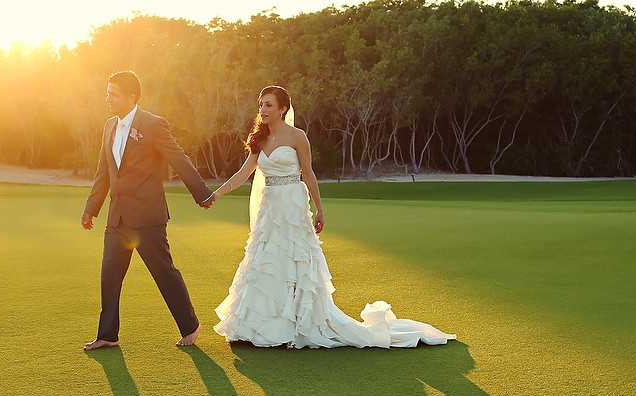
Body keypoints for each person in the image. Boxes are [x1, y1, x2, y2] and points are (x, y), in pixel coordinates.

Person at [208, 85, 456, 349]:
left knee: (294, 259)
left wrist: (320, 209)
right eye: (260, 105)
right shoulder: (258, 139)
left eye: (268, 105)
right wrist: (217, 194)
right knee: (267, 260)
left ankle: (297, 322)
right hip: (269, 209)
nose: (262, 110)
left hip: (292, 204)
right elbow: (243, 173)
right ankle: (264, 324)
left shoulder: (297, 136)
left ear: (283, 108)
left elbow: (309, 174)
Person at [80, 70, 215, 351]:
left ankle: (190, 325)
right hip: (117, 217)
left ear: (131, 97)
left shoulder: (153, 124)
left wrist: (201, 193)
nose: (107, 99)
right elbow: (103, 171)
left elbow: (178, 158)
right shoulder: (109, 126)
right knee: (109, 275)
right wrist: (91, 208)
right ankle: (108, 335)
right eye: (107, 93)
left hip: (147, 216)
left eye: (113, 94)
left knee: (163, 272)